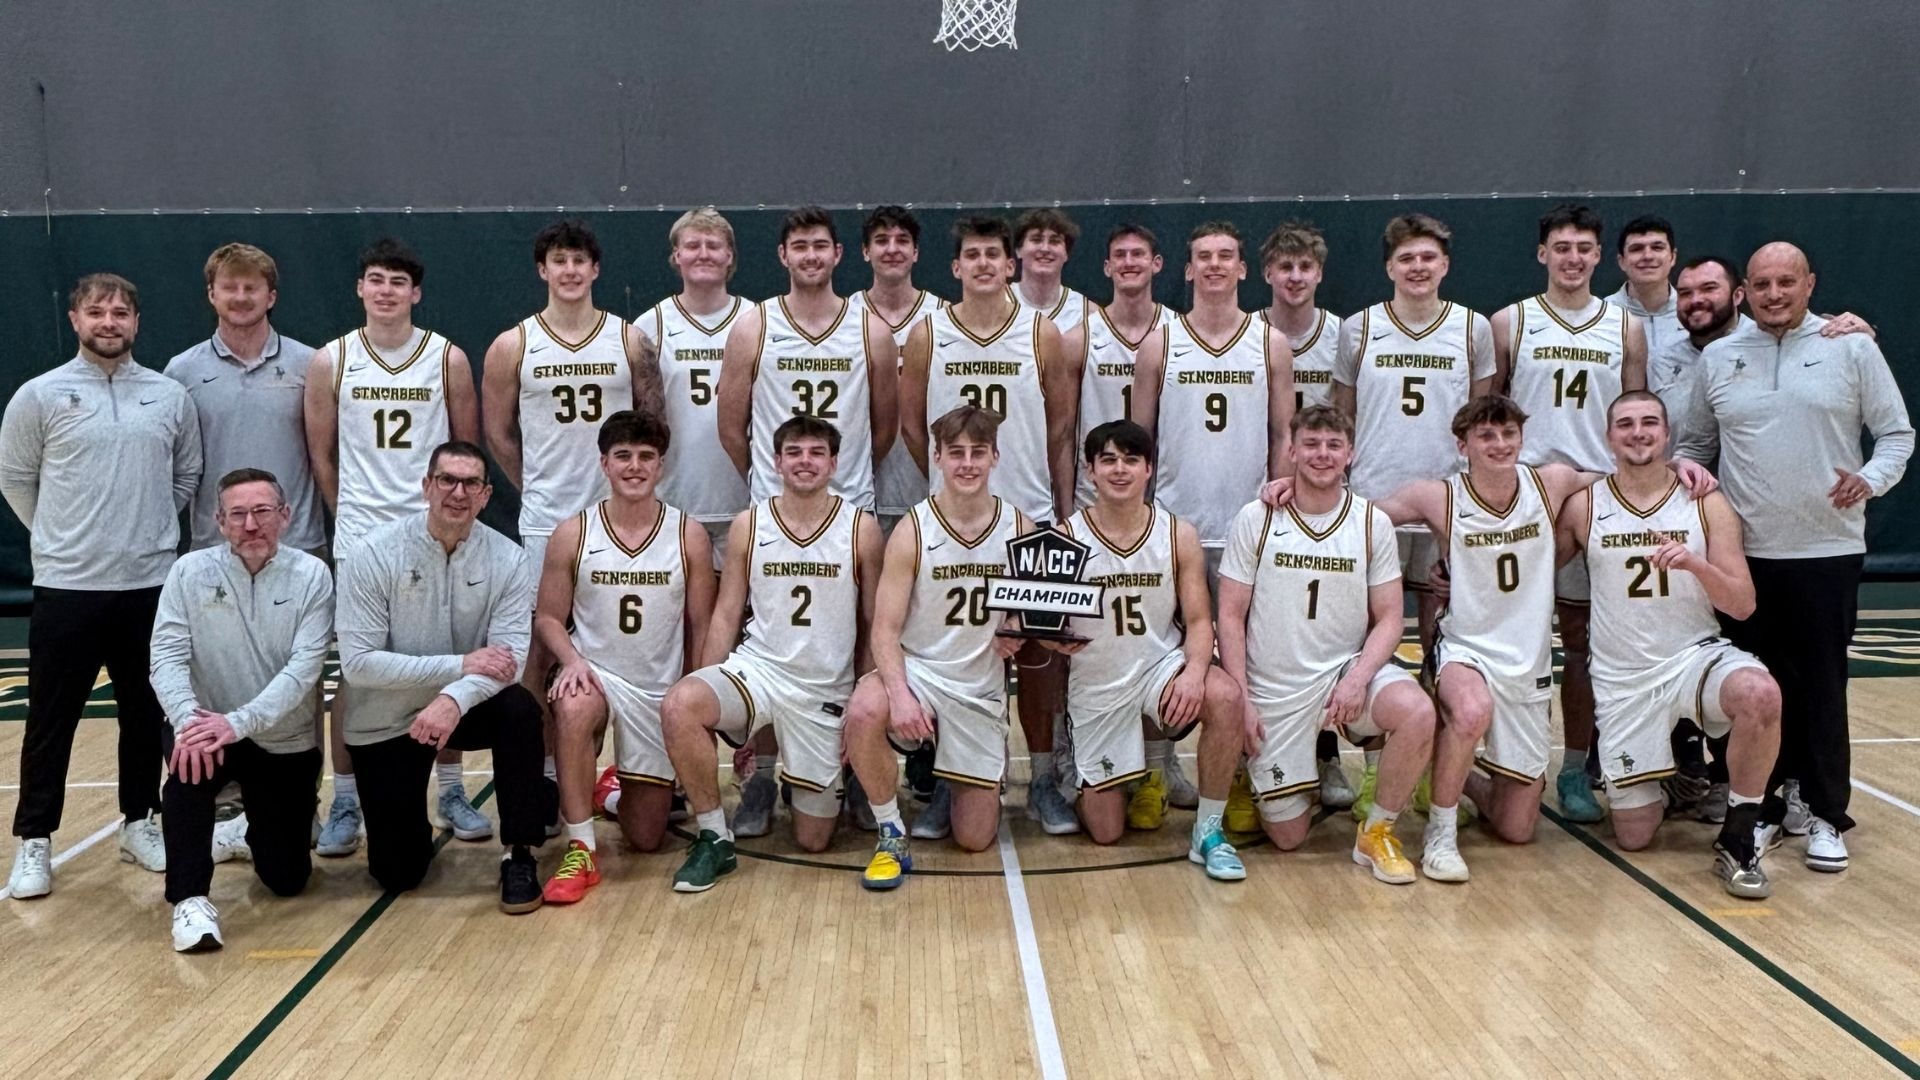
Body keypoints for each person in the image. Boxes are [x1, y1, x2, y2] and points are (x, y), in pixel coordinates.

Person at [1682, 242, 1913, 873]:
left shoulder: (1852, 347)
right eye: (1761, 284)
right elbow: (1698, 445)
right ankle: (1760, 814)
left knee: (1820, 686)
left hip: (1825, 550)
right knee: (1757, 689)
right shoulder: (1722, 357)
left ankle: (1825, 814)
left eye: (1787, 281)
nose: (1774, 293)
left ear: (1809, 283)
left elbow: (1897, 433)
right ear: (1744, 293)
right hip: (1743, 557)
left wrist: (1870, 479)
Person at [1, 273, 200, 897]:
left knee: (145, 713)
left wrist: (140, 531)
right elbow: (16, 480)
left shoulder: (168, 396)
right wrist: (65, 539)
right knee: (51, 719)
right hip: (67, 587)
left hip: (148, 584)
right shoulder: (39, 395)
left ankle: (139, 821)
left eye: (120, 313)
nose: (109, 322)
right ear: (75, 320)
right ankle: (35, 840)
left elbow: (186, 475)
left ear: (137, 323)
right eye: (97, 312)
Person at [1556, 392, 1780, 897]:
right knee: (1634, 836)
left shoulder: (1705, 501)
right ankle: (1669, 775)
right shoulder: (1584, 505)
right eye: (1627, 424)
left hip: (1692, 656)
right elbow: (1531, 570)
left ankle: (1741, 836)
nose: (1639, 432)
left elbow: (1742, 605)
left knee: (1761, 694)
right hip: (1623, 678)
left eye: (1650, 423)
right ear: (1609, 436)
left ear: (1667, 433)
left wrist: (1695, 565)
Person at [304, 238, 486, 857]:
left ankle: (453, 790)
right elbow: (321, 454)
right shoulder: (333, 359)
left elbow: (466, 447)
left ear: (416, 293)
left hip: (437, 532)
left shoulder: (446, 359)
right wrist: (352, 518)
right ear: (361, 288)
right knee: (356, 674)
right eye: (376, 280)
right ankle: (347, 797)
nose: (386, 290)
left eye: (398, 282)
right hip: (361, 538)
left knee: (449, 660)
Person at [901, 215, 1079, 835]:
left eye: (993, 255)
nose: (982, 264)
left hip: (1025, 517)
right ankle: (954, 782)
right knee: (953, 654)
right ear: (954, 268)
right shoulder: (928, 335)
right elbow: (911, 428)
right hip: (950, 523)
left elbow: (1060, 427)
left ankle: (1043, 780)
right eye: (970, 255)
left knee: (1035, 658)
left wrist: (1056, 510)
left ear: (1010, 265)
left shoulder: (1041, 333)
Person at [1208, 406, 1436, 884]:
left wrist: (1357, 681)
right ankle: (1269, 772)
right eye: (1310, 444)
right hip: (1277, 685)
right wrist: (1243, 701)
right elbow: (1229, 615)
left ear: (1350, 453)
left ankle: (1377, 832)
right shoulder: (1257, 518)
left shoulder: (1371, 522)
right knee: (1287, 836)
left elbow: (1391, 618)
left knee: (1417, 711)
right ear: (1290, 450)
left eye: (1334, 445)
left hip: (1342, 673)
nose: (1322, 454)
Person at [482, 220, 662, 822]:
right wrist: (537, 487)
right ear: (543, 270)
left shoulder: (628, 339)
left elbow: (651, 425)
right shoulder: (514, 345)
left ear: (595, 269)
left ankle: (640, 768)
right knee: (541, 648)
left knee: (632, 643)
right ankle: (546, 778)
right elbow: (499, 434)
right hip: (544, 517)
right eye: (558, 261)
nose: (569, 271)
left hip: (618, 517)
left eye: (579, 261)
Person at [662, 416, 885, 891]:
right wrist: (707, 681)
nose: (806, 461)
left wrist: (863, 697)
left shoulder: (860, 528)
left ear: (834, 463)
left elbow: (873, 624)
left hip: (824, 687)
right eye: (795, 452)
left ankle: (830, 780)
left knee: (813, 839)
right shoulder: (750, 524)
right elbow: (726, 612)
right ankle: (713, 837)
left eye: (817, 452)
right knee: (681, 704)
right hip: (759, 670)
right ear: (777, 461)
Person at [335, 441, 547, 912]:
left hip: (463, 709)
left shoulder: (509, 559)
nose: (458, 492)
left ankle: (519, 853)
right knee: (398, 872)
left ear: (487, 495)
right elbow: (358, 664)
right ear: (426, 486)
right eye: (447, 480)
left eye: (471, 483)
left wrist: (453, 697)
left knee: (519, 710)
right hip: (388, 719)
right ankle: (404, 817)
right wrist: (459, 665)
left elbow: (507, 661)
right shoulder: (371, 554)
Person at [1331, 213, 1494, 813]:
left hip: (1447, 509)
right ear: (1389, 268)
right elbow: (1341, 417)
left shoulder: (1472, 329)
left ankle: (1439, 771)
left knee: (1440, 642)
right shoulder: (1360, 329)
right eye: (1406, 259)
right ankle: (1381, 769)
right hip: (1373, 505)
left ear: (1445, 265)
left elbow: (1480, 421)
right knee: (1368, 641)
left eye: (1428, 258)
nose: (1418, 268)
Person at [1493, 204, 1648, 824]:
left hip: (1596, 498)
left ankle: (1578, 765)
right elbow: (1490, 415)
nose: (1573, 257)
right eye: (1562, 246)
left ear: (1599, 256)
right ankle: (1502, 762)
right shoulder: (1510, 322)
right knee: (1511, 641)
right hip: (1522, 499)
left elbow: (1636, 410)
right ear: (1542, 254)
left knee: (1583, 645)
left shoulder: (1625, 328)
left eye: (1584, 247)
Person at [533, 411, 714, 904]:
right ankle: (581, 850)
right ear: (604, 464)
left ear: (661, 467)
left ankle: (609, 794)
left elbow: (701, 625)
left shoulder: (688, 535)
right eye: (623, 457)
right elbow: (549, 617)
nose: (635, 467)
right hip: (597, 676)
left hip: (658, 690)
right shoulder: (573, 533)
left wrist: (694, 694)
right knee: (572, 705)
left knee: (646, 838)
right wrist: (570, 660)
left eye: (646, 457)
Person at [150, 468, 333, 950]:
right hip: (208, 727)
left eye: (262, 512)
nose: (251, 525)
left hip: (280, 738)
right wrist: (188, 719)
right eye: (238, 515)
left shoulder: (312, 575)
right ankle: (189, 901)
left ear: (286, 516)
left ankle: (246, 824)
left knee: (287, 879)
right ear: (218, 521)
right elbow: (165, 657)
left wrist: (239, 722)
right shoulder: (188, 572)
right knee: (187, 764)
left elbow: (303, 671)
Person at [846, 406, 1027, 887]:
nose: (967, 464)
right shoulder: (913, 529)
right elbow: (883, 629)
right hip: (922, 674)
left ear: (995, 458)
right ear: (938, 459)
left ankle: (958, 773)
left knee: (974, 839)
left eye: (977, 453)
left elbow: (1033, 608)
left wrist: (1016, 622)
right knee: (865, 709)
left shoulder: (1019, 527)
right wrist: (901, 694)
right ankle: (890, 831)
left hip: (977, 687)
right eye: (956, 454)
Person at [1048, 421, 1242, 846]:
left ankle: (1208, 828)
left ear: (1149, 469)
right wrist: (1049, 637)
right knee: (1106, 831)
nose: (1120, 470)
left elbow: (1197, 621)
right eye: (1109, 460)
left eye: (1131, 460)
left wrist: (1194, 673)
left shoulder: (1177, 534)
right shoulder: (1064, 538)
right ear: (1089, 471)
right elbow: (1046, 627)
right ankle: (1078, 772)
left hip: (1160, 669)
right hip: (1099, 681)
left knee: (1225, 696)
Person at [1259, 220, 1360, 809]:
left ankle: (1325, 758)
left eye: (1305, 267)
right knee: (1273, 638)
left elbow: (1344, 417)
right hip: (1269, 500)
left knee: (1325, 634)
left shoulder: (1342, 335)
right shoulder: (1249, 333)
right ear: (1268, 273)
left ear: (1319, 273)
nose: (1295, 277)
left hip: (1324, 497)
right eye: (1285, 267)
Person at [717, 205, 899, 512]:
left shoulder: (873, 332)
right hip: (773, 505)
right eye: (800, 247)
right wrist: (770, 475)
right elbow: (730, 430)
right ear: (783, 254)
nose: (811, 256)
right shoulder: (752, 327)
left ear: (838, 253)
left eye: (820, 246)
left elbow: (884, 431)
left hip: (850, 506)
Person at [165, 243, 326, 555]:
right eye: (229, 287)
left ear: (271, 297)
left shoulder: (311, 365)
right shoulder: (181, 371)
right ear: (212, 295)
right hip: (215, 545)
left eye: (251, 287)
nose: (240, 297)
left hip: (298, 544)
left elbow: (330, 455)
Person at [645, 207, 751, 564]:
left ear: (729, 256)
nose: (703, 253)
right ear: (677, 256)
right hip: (675, 501)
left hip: (747, 500)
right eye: (692, 245)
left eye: (713, 245)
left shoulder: (757, 321)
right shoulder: (651, 325)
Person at [1064, 224, 1172, 509]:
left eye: (1138, 254)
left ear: (1156, 263)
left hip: (1159, 497)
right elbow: (1063, 432)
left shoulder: (1176, 332)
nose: (1128, 262)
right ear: (1107, 267)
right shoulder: (1080, 338)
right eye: (1120, 255)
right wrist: (1063, 507)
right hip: (1093, 498)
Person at [860, 205, 945, 533]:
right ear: (866, 252)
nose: (892, 249)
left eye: (902, 241)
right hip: (865, 492)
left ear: (916, 252)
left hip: (930, 490)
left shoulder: (944, 317)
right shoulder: (847, 316)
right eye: (881, 240)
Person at [1607, 215, 1685, 362]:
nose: (1647, 256)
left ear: (1672, 257)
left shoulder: (1693, 312)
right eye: (1637, 249)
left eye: (1657, 247)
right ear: (1621, 261)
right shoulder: (1602, 316)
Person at [1011, 208, 1087, 333]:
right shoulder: (997, 303)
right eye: (1036, 240)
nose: (1045, 249)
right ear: (1018, 250)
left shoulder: (1086, 314)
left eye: (1054, 241)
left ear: (1066, 253)